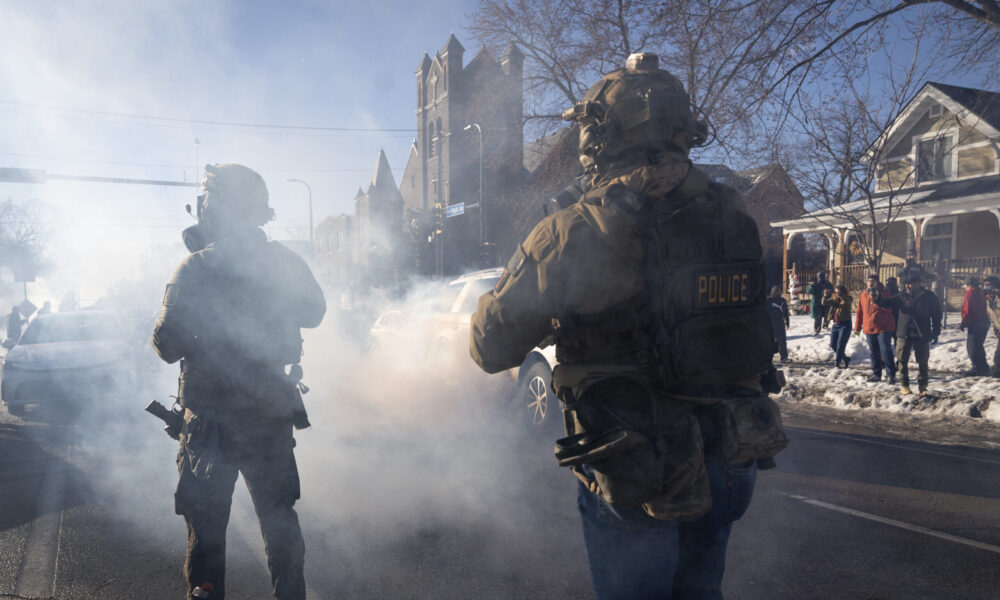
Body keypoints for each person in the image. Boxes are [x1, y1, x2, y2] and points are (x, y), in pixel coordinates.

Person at [470, 52, 787, 599]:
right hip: (733, 448)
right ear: (684, 128)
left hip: (638, 460)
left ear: (602, 132)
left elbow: (489, 345)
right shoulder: (730, 211)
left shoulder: (571, 227)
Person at [152, 164, 326, 600]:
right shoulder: (284, 263)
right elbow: (315, 313)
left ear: (214, 208)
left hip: (210, 426)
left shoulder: (194, 268)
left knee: (207, 532)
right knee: (279, 519)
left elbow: (166, 343)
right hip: (269, 417)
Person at [876, 274, 942, 395]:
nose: (907, 286)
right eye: (906, 284)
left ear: (918, 283)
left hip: (922, 334)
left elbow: (936, 315)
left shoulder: (929, 296)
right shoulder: (902, 295)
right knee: (902, 361)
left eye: (910, 284)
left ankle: (923, 385)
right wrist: (876, 297)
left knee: (923, 361)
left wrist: (936, 331)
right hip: (904, 333)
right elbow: (886, 303)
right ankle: (904, 385)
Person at [855, 274, 897, 383]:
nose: (870, 282)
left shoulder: (885, 293)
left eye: (873, 281)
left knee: (885, 351)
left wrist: (878, 300)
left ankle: (891, 374)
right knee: (874, 352)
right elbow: (860, 312)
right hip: (869, 327)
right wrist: (857, 328)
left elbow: (890, 308)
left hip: (884, 327)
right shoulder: (863, 295)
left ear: (877, 282)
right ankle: (876, 374)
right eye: (868, 280)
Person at [960, 276, 990, 376]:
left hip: (975, 322)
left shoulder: (970, 293)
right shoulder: (981, 292)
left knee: (972, 346)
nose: (964, 286)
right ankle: (983, 366)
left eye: (964, 284)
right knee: (979, 345)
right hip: (984, 320)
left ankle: (977, 368)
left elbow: (968, 310)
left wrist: (964, 323)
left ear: (968, 284)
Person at [823, 285, 853, 368]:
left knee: (840, 346)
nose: (836, 294)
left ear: (842, 292)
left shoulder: (848, 298)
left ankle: (837, 363)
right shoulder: (834, 299)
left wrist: (840, 295)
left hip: (845, 325)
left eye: (838, 292)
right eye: (835, 292)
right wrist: (825, 295)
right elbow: (824, 303)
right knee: (833, 345)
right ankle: (845, 358)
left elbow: (846, 302)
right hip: (836, 324)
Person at [767, 285, 791, 363]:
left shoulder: (783, 300)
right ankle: (768, 359)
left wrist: (787, 322)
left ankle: (784, 357)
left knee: (782, 342)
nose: (779, 292)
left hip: (780, 324)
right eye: (777, 291)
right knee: (770, 342)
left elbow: (786, 313)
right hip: (771, 325)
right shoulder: (769, 301)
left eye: (780, 291)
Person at [983, 276, 1000, 377]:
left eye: (989, 285)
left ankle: (997, 372)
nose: (987, 288)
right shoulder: (989, 301)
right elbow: (993, 316)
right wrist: (995, 327)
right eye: (985, 285)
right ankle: (997, 372)